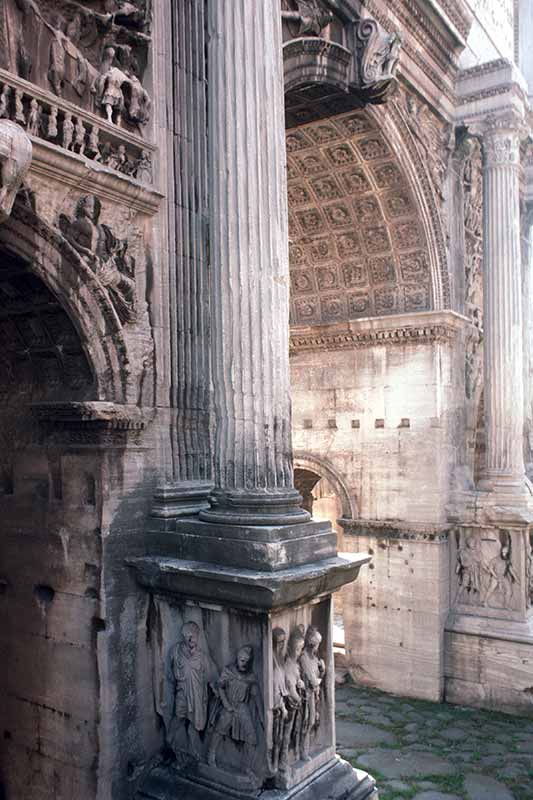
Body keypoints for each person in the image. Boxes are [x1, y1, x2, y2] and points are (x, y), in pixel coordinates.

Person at [207, 645, 263, 777]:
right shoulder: (229, 671)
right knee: (219, 730)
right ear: (237, 659)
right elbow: (220, 687)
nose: (244, 663)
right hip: (229, 704)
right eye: (242, 660)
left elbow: (255, 696)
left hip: (242, 707)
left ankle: (247, 766)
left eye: (247, 661)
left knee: (252, 737)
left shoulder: (251, 676)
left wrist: (262, 716)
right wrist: (226, 704)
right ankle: (211, 754)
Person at [168, 621, 217, 761]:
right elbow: (169, 673)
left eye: (192, 636)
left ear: (197, 636)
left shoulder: (202, 657)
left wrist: (216, 688)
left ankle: (195, 751)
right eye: (187, 636)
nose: (190, 639)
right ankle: (170, 738)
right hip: (182, 692)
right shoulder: (176, 651)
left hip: (197, 695)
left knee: (195, 724)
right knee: (179, 716)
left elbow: (211, 675)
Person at [299, 626, 325, 760]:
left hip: (315, 694)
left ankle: (311, 745)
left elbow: (318, 675)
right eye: (317, 644)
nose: (318, 647)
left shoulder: (314, 657)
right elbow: (313, 680)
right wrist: (318, 679)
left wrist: (322, 669)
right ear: (312, 644)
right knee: (308, 721)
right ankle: (303, 751)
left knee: (314, 720)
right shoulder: (304, 658)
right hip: (307, 695)